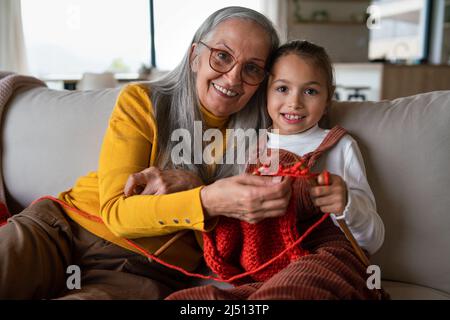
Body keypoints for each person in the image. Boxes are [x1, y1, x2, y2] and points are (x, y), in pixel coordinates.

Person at [0, 7, 286, 299]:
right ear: (194, 57)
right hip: (62, 229)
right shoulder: (142, 102)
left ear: (263, 81)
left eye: (252, 68)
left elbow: (240, 247)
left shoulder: (267, 142)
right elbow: (116, 213)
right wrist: (207, 199)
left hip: (143, 273)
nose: (233, 77)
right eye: (222, 56)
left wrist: (199, 188)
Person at [161, 40, 387, 299]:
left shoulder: (340, 146)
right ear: (265, 93)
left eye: (310, 92)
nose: (295, 103)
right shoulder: (248, 146)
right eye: (282, 88)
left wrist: (346, 203)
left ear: (328, 99)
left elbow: (373, 239)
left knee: (290, 289)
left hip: (326, 256)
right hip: (270, 268)